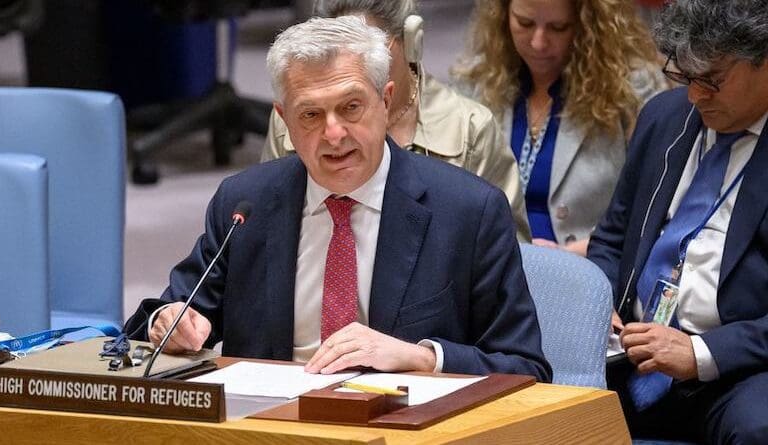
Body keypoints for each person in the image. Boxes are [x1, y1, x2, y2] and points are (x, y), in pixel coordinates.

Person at [124, 16, 551, 380]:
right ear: (283, 120)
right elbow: (163, 317)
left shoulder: (467, 212)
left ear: (385, 102)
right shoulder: (244, 205)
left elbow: (525, 366)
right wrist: (167, 324)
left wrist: (422, 357)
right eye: (311, 114)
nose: (334, 134)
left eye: (351, 107)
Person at [587, 0, 768, 442]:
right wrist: (600, 303)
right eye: (686, 77)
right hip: (630, 354)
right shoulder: (664, 118)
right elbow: (612, 236)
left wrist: (701, 351)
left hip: (740, 370)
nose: (694, 96)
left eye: (711, 80)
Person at [261, 0, 531, 242]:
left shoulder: (469, 129)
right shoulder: (294, 119)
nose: (359, 63)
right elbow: (270, 223)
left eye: (370, 48)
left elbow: (505, 257)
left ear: (412, 43)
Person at [453, 0, 666, 256]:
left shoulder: (633, 90)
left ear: (588, 25)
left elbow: (655, 211)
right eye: (525, 23)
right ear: (501, 15)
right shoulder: (478, 81)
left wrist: (572, 254)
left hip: (590, 268)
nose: (538, 43)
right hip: (495, 267)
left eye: (558, 27)